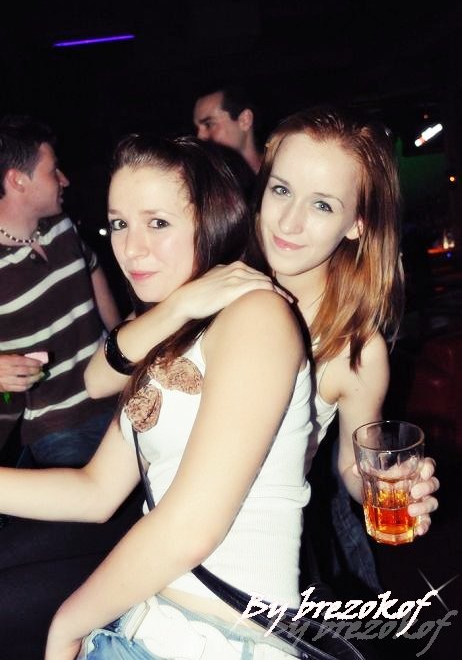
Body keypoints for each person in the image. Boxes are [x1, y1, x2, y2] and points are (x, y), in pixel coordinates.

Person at [85, 107, 439, 590]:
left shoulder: (354, 348)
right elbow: (99, 378)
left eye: (322, 206)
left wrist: (399, 485)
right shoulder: (213, 274)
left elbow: (352, 465)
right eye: (281, 190)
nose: (289, 222)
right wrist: (181, 304)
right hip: (159, 545)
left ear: (357, 224)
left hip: (246, 565)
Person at [0, 134, 314, 660]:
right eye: (120, 223)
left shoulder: (255, 315)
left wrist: (67, 626)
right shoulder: (166, 331)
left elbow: (190, 528)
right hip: (148, 619)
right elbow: (97, 490)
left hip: (222, 641)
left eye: (158, 223)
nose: (131, 248)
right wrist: (177, 307)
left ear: (212, 221)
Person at [0, 114, 121, 468]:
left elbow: (92, 270)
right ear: (18, 180)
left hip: (118, 393)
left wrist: (121, 343)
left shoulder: (62, 225)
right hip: (59, 425)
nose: (64, 179)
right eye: (53, 171)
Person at [193, 84, 263, 172]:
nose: (200, 136)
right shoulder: (203, 176)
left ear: (245, 120)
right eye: (197, 128)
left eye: (209, 124)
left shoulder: (276, 170)